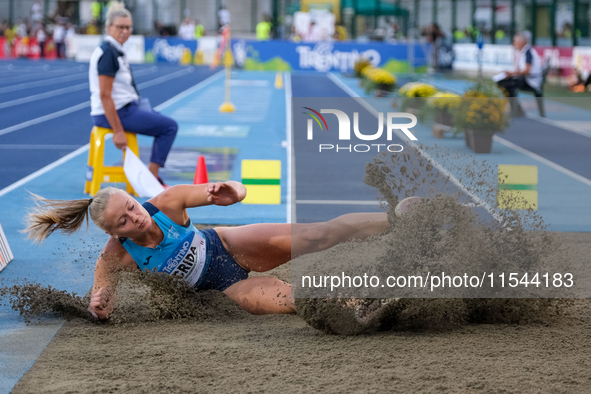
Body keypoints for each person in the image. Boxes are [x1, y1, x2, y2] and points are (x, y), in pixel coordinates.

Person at [23, 183, 399, 320]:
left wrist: (232, 192)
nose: (134, 220)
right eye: (122, 222)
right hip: (225, 287)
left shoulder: (167, 203)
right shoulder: (115, 258)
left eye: (132, 208)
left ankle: (398, 218)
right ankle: (375, 304)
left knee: (318, 235)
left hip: (231, 246)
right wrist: (99, 306)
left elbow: (230, 188)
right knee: (296, 300)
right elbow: (99, 302)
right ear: (112, 233)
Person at [89, 2, 178, 186]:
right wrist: (118, 131)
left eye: (128, 27)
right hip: (115, 112)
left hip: (126, 108)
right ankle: (151, 179)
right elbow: (105, 95)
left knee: (160, 119)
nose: (125, 31)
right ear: (108, 28)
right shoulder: (108, 53)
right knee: (169, 127)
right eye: (120, 27)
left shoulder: (115, 50)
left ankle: (151, 176)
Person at [496, 32, 543, 116]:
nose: (514, 43)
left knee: (505, 84)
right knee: (503, 82)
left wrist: (512, 73)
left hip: (531, 81)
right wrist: (512, 73)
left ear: (521, 42)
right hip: (527, 79)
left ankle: (516, 109)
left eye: (515, 41)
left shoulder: (528, 52)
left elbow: (527, 71)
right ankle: (516, 108)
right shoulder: (525, 51)